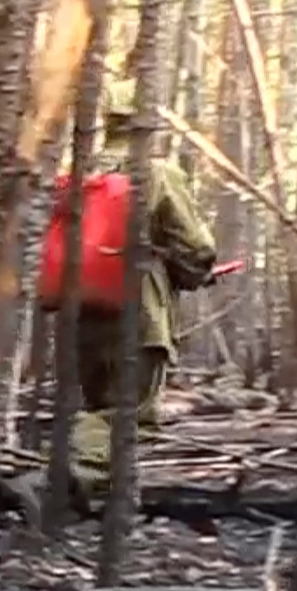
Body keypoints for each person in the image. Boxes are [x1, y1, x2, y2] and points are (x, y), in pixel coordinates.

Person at [68, 82, 220, 473]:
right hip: (142, 312)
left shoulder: (81, 172)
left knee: (101, 406)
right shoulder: (157, 173)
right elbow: (197, 248)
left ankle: (79, 493)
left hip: (85, 311)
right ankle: (61, 480)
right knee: (130, 418)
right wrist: (194, 275)